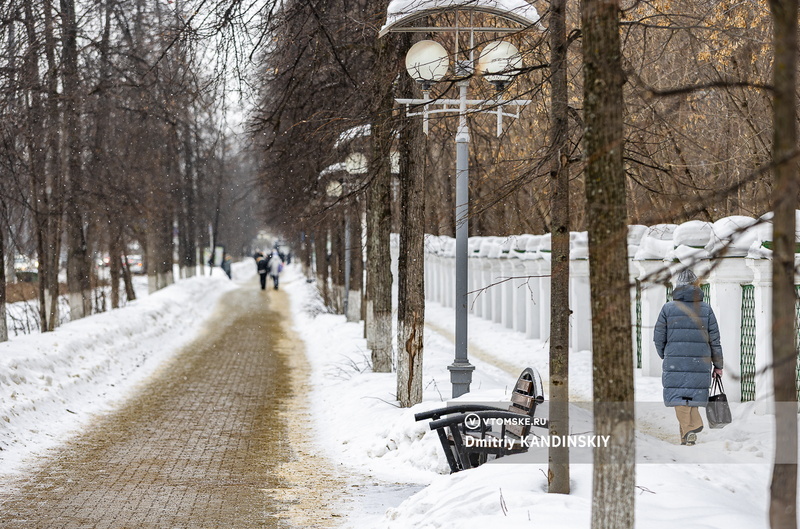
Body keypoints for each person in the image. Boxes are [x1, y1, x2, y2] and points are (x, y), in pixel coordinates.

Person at [654, 269, 724, 446]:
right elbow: (715, 339)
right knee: (692, 396)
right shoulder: (706, 309)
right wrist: (718, 364)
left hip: (674, 361)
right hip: (700, 361)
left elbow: (658, 336)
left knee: (679, 397)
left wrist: (665, 353)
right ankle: (687, 434)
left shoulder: (668, 308)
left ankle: (691, 427)